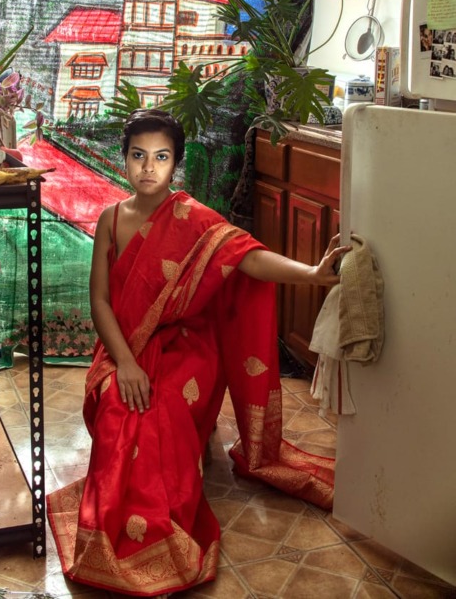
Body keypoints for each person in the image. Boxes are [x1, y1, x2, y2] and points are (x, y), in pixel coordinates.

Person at [47, 109, 351, 598]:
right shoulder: (109, 219)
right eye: (138, 156)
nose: (149, 167)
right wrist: (124, 362)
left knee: (160, 410)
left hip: (186, 348)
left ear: (177, 166)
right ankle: (112, 532)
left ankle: (161, 531)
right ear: (123, 161)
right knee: (118, 411)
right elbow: (100, 302)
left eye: (161, 157)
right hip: (124, 348)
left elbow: (247, 258)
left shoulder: (195, 220)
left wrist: (313, 273)